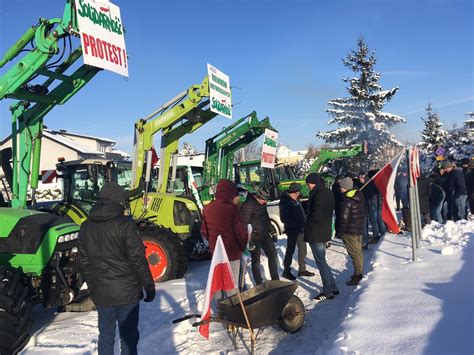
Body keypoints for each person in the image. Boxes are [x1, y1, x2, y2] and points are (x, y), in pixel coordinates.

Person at [77, 182, 155, 355]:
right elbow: (137, 259)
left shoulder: (85, 226)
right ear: (118, 200)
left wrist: (93, 285)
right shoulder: (126, 224)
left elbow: (82, 262)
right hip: (127, 293)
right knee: (128, 337)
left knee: (105, 337)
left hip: (102, 293)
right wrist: (149, 286)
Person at [201, 179, 248, 289]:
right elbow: (240, 233)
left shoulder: (207, 209)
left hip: (217, 254)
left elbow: (204, 231)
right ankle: (232, 305)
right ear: (231, 194)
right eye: (236, 195)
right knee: (232, 285)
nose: (238, 198)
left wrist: (213, 243)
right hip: (232, 254)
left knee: (219, 284)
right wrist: (243, 246)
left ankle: (220, 305)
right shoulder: (232, 209)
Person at [304, 173, 338, 301]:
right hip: (324, 230)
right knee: (323, 260)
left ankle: (328, 291)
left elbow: (316, 214)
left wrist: (307, 223)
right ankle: (333, 287)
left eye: (308, 184)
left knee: (321, 262)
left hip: (316, 232)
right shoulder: (327, 191)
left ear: (313, 183)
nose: (308, 187)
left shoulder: (317, 194)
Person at [241, 187, 280, 285]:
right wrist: (249, 241)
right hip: (254, 237)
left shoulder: (263, 204)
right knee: (256, 260)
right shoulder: (247, 206)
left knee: (273, 254)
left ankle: (275, 279)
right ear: (257, 196)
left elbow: (265, 218)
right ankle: (259, 283)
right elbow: (244, 224)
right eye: (264, 200)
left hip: (265, 235)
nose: (265, 202)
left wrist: (272, 231)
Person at [279, 182, 314, 280]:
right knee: (291, 250)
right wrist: (296, 223)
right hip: (292, 230)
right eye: (297, 192)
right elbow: (284, 218)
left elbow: (300, 211)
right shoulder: (285, 202)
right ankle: (286, 270)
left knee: (303, 248)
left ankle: (302, 269)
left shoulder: (296, 199)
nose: (299, 194)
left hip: (301, 229)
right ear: (294, 192)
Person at [336, 177, 366, 286]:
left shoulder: (347, 200)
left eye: (341, 187)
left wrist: (339, 233)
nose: (340, 189)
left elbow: (344, 219)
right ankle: (359, 272)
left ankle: (358, 275)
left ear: (344, 188)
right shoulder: (357, 195)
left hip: (349, 232)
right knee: (358, 252)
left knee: (354, 254)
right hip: (358, 229)